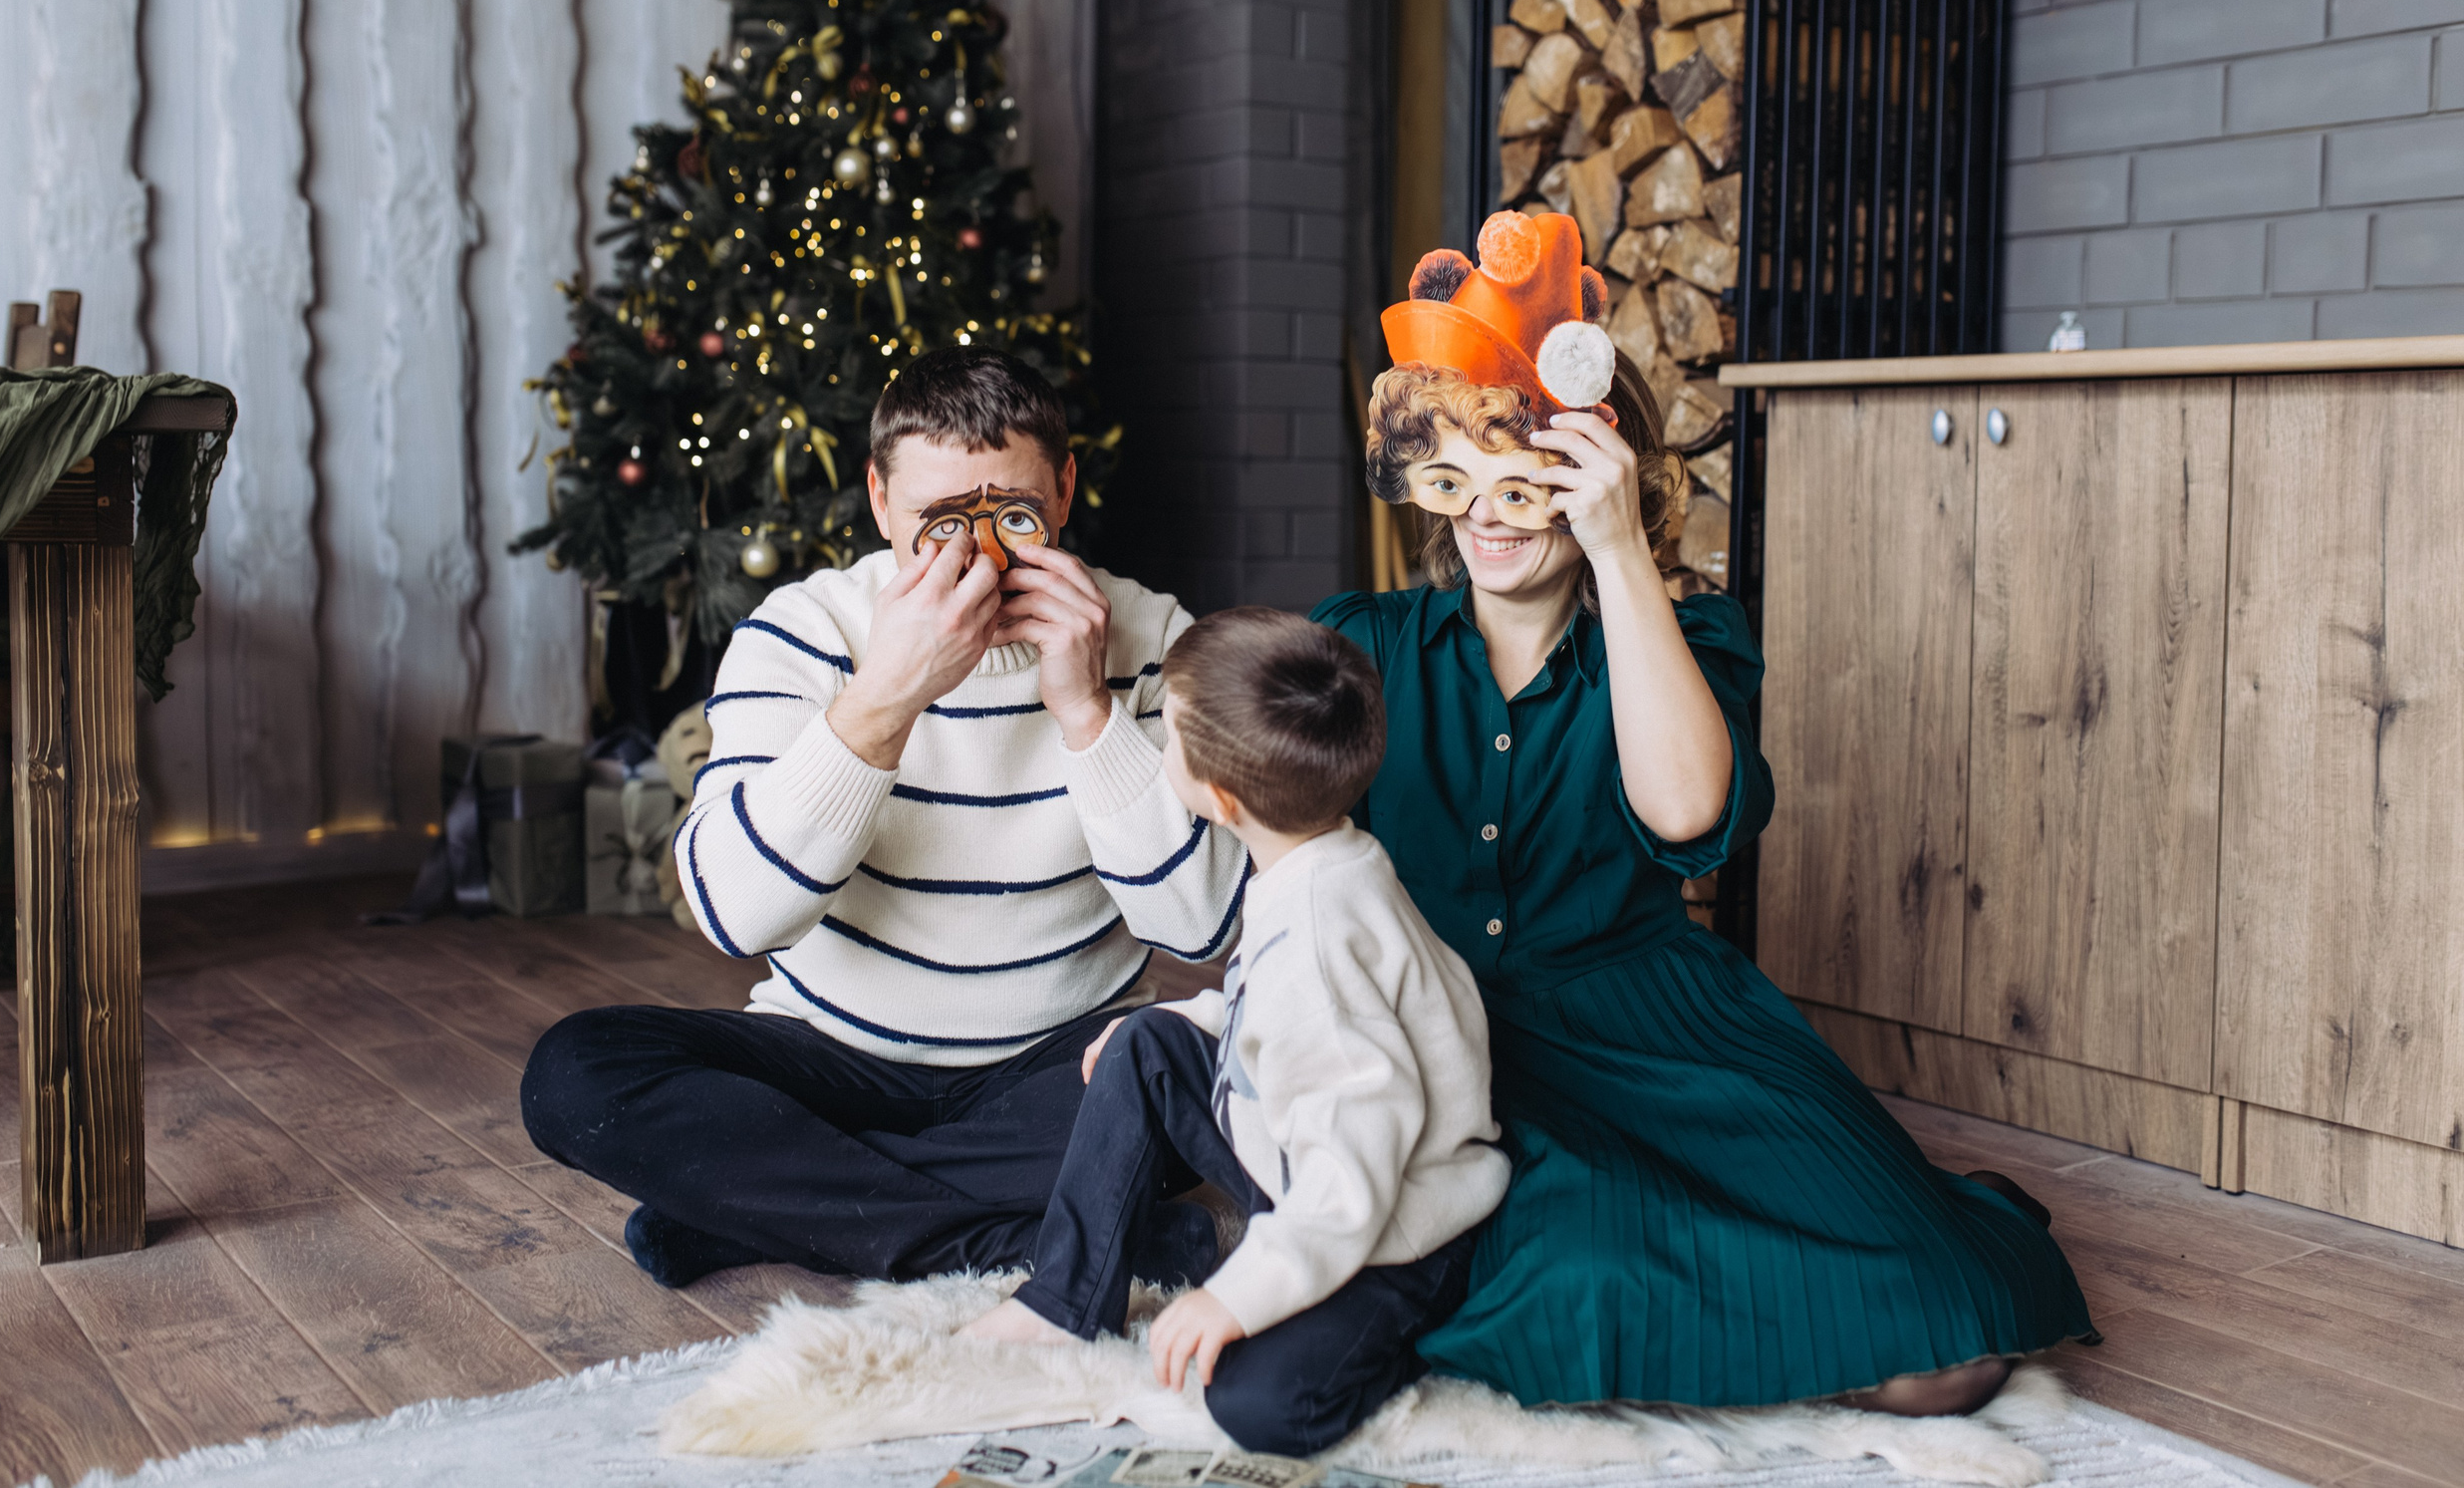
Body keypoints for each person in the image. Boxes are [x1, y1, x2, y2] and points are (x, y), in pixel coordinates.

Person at [1313, 209, 2095, 1416]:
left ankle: (1850, 1243)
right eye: (1460, 475)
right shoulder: (1360, 647)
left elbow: (1684, 818)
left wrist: (1619, 554)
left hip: (1659, 1023)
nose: (1488, 510)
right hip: (1440, 1039)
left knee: (1947, 1351)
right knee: (1569, 1279)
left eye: (1530, 472)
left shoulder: (1692, 640)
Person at [521, 348, 1248, 1288]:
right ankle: (1013, 1239)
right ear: (877, 500)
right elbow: (733, 917)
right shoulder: (802, 631)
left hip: (1056, 1064)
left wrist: (1088, 715)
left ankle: (779, 1214)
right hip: (832, 1062)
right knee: (574, 1073)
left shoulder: (1153, 637)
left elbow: (1203, 927)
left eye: (1014, 517)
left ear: (1063, 491)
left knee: (1203, 1078)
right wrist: (882, 701)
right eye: (938, 527)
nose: (980, 556)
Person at [961, 607, 1510, 1458]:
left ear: (1220, 800)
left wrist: (1236, 1299)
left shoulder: (1320, 946)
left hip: (1386, 1231)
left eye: (1168, 735)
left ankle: (1392, 1345)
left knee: (1257, 1403)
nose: (1159, 745)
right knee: (1145, 1041)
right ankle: (1065, 1301)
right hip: (1304, 1154)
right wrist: (1194, 1018)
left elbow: (1349, 1177)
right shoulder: (1317, 856)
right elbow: (1275, 1007)